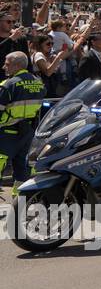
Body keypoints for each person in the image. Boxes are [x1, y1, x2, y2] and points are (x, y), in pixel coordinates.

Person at [0, 51, 47, 192]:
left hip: (7, 132)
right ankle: (20, 205)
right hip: (27, 132)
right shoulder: (38, 83)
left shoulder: (8, 85)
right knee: (22, 170)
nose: (4, 67)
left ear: (17, 65)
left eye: (7, 64)